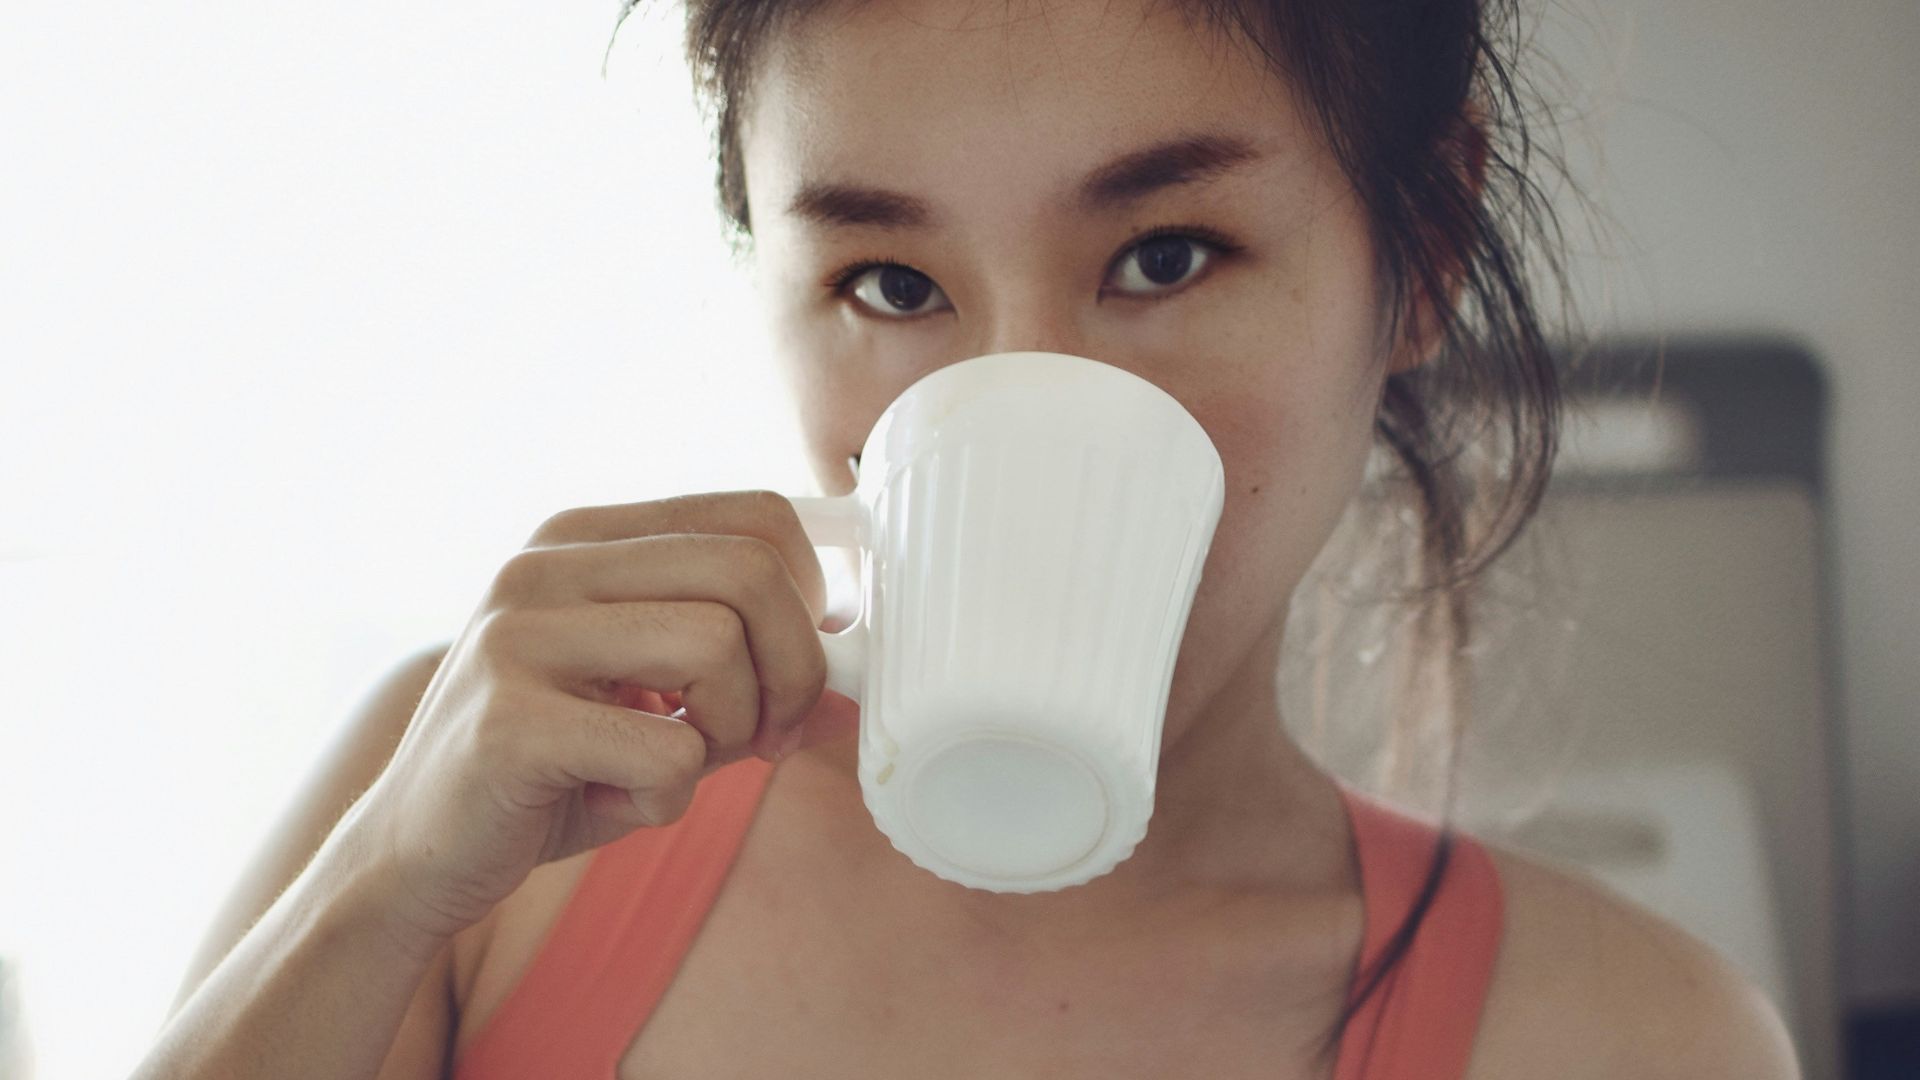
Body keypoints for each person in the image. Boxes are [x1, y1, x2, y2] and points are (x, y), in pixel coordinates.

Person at [132, 0, 1804, 1077]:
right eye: (892, 285)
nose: (1022, 398)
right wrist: (375, 896)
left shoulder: (1630, 1038)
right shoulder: (467, 835)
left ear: (1422, 245)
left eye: (1165, 255)